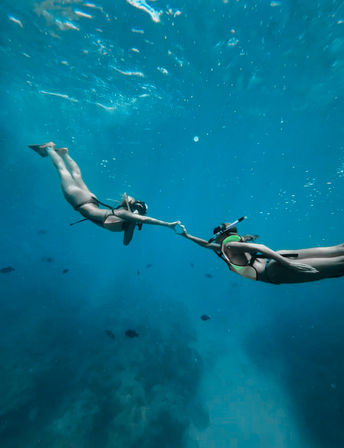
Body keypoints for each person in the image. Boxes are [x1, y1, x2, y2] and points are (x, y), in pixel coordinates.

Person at [29, 142, 181, 245]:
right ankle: (49, 148)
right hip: (82, 202)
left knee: (76, 175)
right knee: (64, 173)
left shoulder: (128, 221)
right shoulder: (126, 216)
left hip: (90, 200)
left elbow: (126, 242)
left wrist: (135, 222)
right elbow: (146, 220)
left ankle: (65, 154)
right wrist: (168, 225)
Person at [179, 221, 344, 284]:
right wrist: (186, 236)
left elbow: (261, 248)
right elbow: (206, 245)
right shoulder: (230, 245)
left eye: (216, 233)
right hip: (278, 258)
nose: (213, 236)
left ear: (222, 235)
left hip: (275, 271)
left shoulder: (230, 247)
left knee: (339, 263)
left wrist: (290, 265)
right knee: (337, 250)